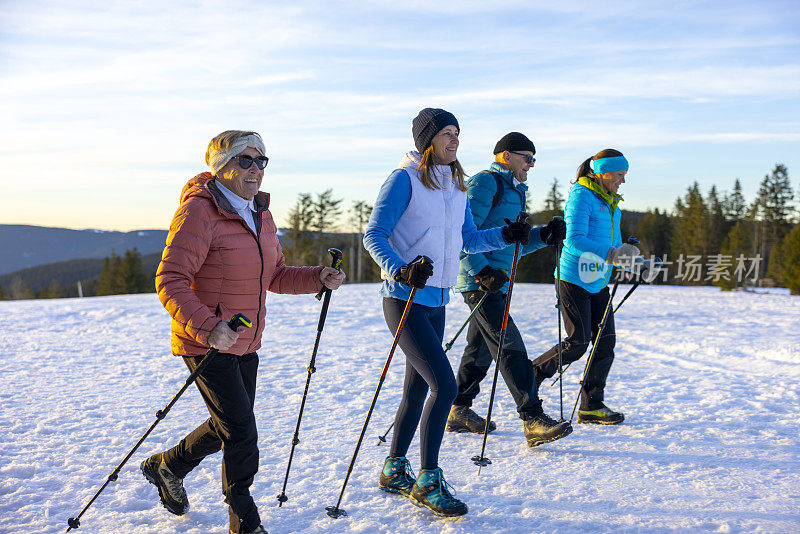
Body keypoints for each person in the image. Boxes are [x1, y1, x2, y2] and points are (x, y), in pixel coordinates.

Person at [140, 130, 345, 534]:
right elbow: (171, 277)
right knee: (241, 432)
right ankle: (245, 522)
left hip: (245, 340)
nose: (255, 170)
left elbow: (276, 275)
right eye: (245, 160)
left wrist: (317, 277)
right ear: (222, 166)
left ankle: (168, 465)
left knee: (228, 424)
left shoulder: (260, 213)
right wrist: (209, 326)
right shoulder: (200, 211)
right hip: (207, 341)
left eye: (261, 161)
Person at [363, 108, 531, 518]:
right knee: (445, 385)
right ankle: (427, 479)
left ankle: (393, 468)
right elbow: (373, 234)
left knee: (419, 389)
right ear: (427, 140)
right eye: (446, 133)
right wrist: (399, 268)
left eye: (457, 133)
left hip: (438, 300)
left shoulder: (455, 186)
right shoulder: (403, 179)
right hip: (404, 299)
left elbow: (467, 239)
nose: (454, 140)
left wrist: (504, 234)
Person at [448, 132, 573, 447]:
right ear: (505, 155)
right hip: (480, 281)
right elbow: (462, 236)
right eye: (527, 158)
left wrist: (544, 235)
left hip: (495, 280)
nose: (530, 165)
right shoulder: (485, 183)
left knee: (479, 351)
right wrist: (481, 271)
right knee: (509, 344)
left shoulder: (515, 192)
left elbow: (513, 244)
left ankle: (458, 409)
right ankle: (532, 417)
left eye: (534, 160)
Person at [532, 148, 639, 425]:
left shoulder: (611, 200)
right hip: (574, 279)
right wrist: (611, 255)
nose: (622, 181)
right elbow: (574, 240)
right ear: (602, 172)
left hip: (598, 280)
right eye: (619, 174)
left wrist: (627, 257)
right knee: (577, 344)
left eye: (624, 175)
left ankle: (592, 405)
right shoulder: (581, 196)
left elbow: (610, 242)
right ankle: (531, 374)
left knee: (605, 342)